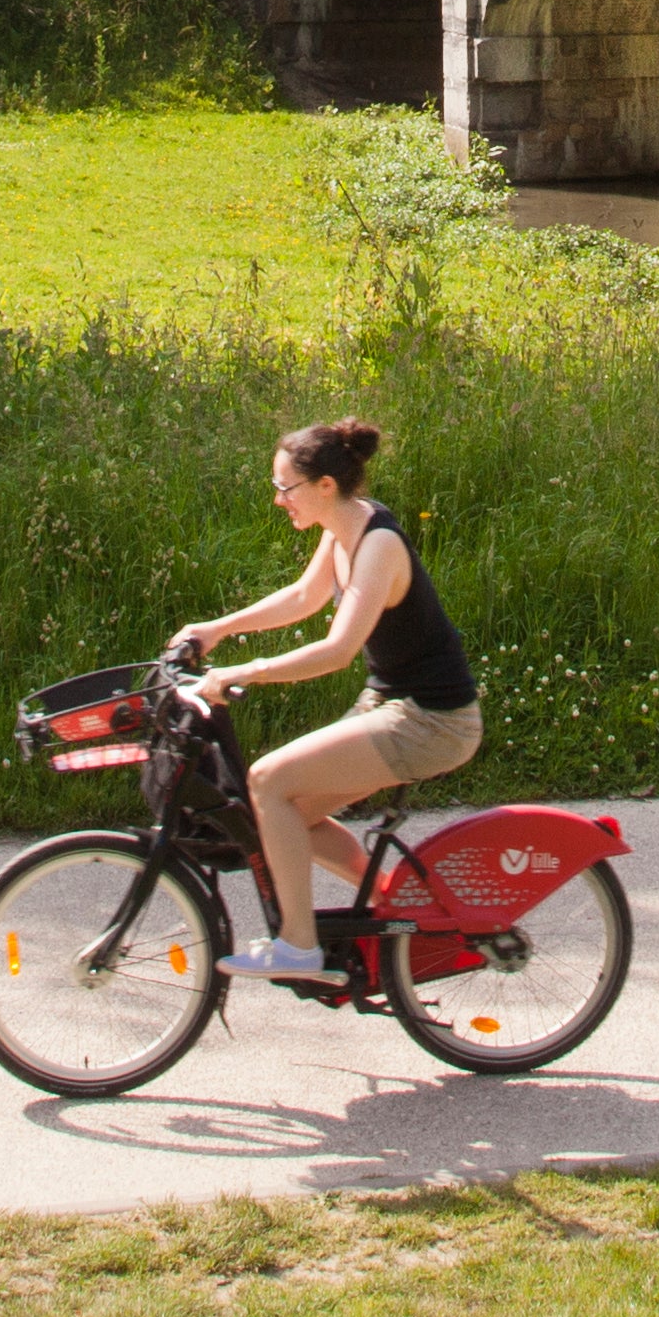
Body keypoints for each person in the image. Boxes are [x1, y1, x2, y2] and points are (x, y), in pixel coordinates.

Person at [172, 415, 480, 983]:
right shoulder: (342, 526)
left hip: (432, 722)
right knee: (283, 815)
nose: (278, 499)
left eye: (285, 487)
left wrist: (245, 671)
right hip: (392, 705)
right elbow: (302, 598)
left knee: (268, 782)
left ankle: (298, 946)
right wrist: (218, 628)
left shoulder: (378, 544)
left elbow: (338, 650)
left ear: (325, 486)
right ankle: (396, 898)